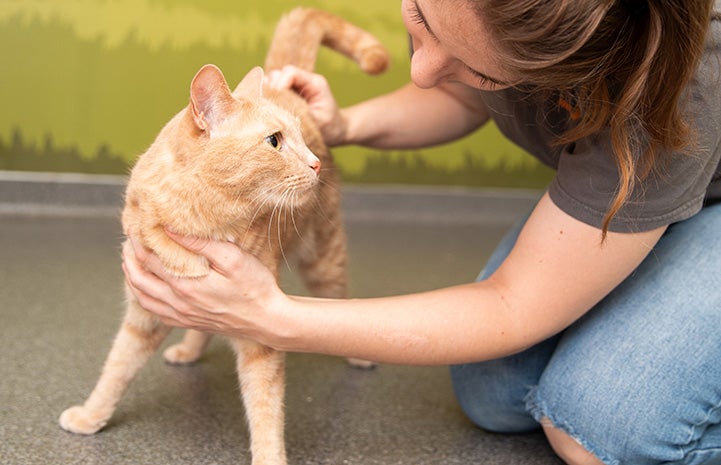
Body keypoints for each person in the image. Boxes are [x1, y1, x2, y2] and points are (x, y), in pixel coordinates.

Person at [122, 1, 721, 464]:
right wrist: (345, 123)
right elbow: (463, 98)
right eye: (420, 18)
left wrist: (273, 317)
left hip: (693, 180)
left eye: (481, 68)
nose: (421, 70)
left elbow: (514, 304)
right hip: (639, 187)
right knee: (492, 393)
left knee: (593, 430)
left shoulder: (671, 88)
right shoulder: (473, 27)